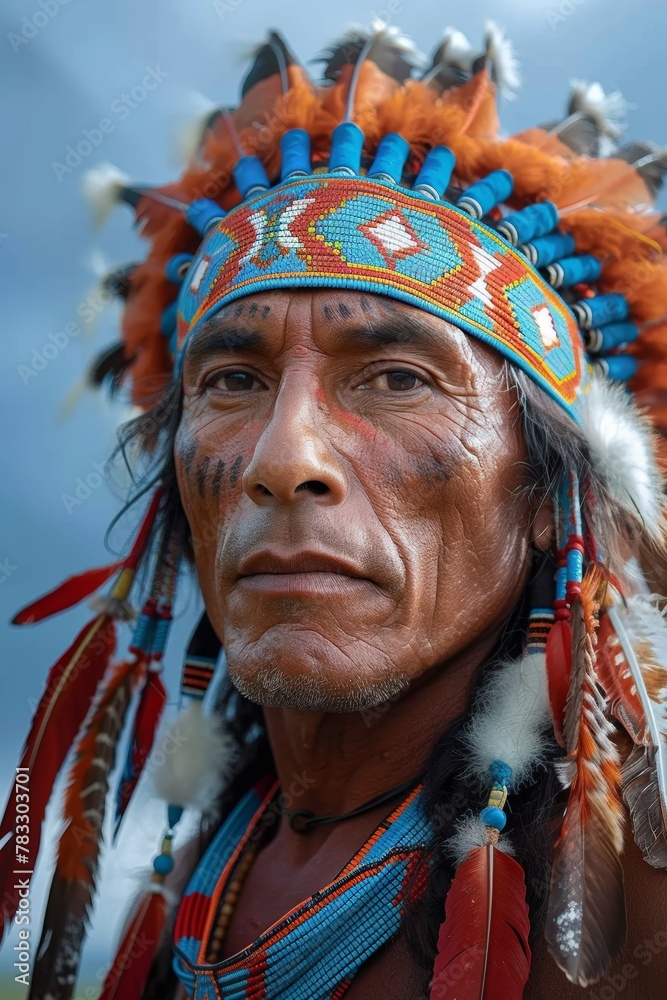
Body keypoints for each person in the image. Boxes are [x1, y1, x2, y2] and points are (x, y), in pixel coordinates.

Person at [2, 21, 667, 1000]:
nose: (283, 459)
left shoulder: (631, 910)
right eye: (231, 380)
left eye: (396, 378)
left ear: (546, 494)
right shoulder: (216, 869)